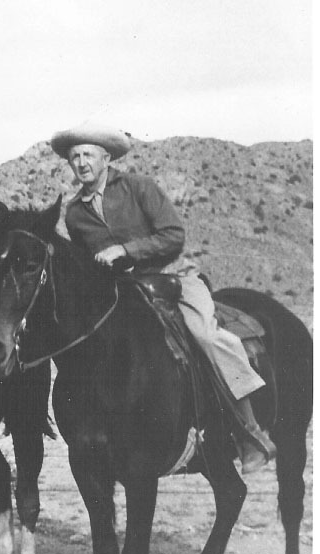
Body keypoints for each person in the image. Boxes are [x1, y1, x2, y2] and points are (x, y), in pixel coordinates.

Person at [51, 122, 277, 474]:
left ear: (106, 158)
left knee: (205, 334)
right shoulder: (75, 213)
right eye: (74, 156)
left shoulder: (139, 188)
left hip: (174, 279)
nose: (81, 162)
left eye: (88, 155)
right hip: (123, 293)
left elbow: (173, 236)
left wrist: (125, 250)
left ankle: (249, 431)